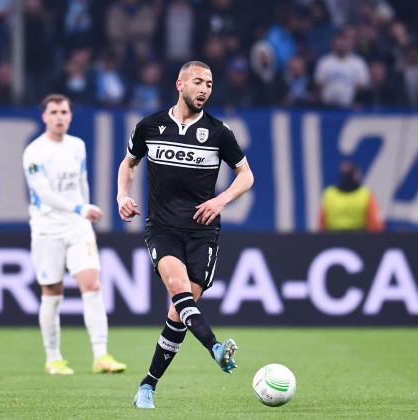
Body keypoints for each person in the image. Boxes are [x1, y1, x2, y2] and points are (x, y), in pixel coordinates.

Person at [117, 61, 254, 409]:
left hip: (202, 233)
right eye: (198, 82)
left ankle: (148, 384)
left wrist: (221, 200)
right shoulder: (150, 126)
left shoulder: (219, 132)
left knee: (180, 314)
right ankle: (216, 349)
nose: (205, 89)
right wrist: (122, 195)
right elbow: (129, 163)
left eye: (209, 83)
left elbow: (246, 175)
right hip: (161, 227)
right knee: (178, 291)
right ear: (180, 84)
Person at [23, 94, 127, 375]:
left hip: (78, 228)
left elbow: (82, 183)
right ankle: (53, 358)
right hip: (47, 229)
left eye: (64, 112)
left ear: (70, 116)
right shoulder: (34, 152)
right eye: (54, 112)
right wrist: (80, 208)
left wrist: (85, 218)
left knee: (92, 286)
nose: (59, 117)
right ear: (44, 117)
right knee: (52, 293)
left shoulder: (77, 146)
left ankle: (101, 355)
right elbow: (43, 194)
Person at [319, 161, 384, 232]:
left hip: (332, 241)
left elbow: (322, 224)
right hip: (360, 241)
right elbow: (375, 226)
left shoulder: (329, 194)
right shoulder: (365, 194)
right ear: (356, 175)